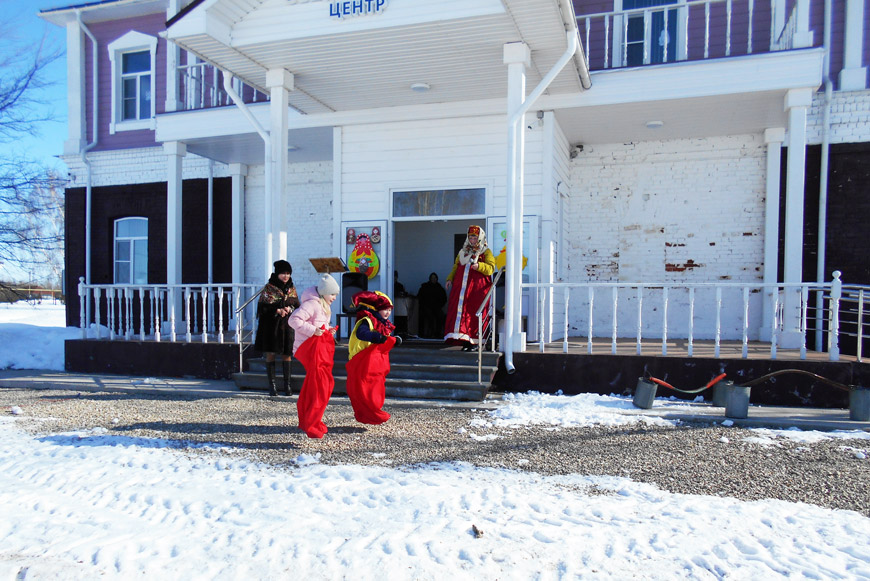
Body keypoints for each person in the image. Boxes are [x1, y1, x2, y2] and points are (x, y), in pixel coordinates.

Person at [288, 273, 340, 439]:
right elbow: (293, 320)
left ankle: (311, 419)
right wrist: (314, 331)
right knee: (320, 384)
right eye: (332, 294)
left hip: (316, 348)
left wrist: (327, 330)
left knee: (319, 384)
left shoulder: (323, 306)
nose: (334, 298)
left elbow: (318, 325)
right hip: (307, 348)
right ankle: (310, 420)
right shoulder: (312, 304)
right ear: (324, 292)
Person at [345, 291, 401, 425]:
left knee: (376, 386)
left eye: (389, 310)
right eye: (385, 309)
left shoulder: (383, 323)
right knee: (364, 388)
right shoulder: (367, 320)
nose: (388, 313)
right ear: (377, 309)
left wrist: (394, 340)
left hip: (375, 362)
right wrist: (378, 338)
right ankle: (370, 412)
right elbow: (362, 334)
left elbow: (384, 340)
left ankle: (373, 411)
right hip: (363, 360)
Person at [444, 225, 496, 350]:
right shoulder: (463, 252)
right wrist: (450, 279)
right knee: (462, 313)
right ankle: (465, 340)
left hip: (477, 290)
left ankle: (476, 341)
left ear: (480, 238)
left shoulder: (486, 252)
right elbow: (456, 267)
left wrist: (479, 266)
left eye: (475, 238)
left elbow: (491, 268)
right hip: (461, 289)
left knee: (474, 313)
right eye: (471, 238)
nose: (472, 240)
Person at [253, 260, 300, 396]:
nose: (286, 276)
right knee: (271, 353)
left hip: (287, 326)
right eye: (283, 273)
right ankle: (272, 385)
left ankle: (287, 385)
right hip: (271, 326)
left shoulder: (291, 288)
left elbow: (296, 304)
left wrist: (289, 309)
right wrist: (277, 310)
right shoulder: (269, 288)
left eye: (288, 273)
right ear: (277, 274)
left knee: (287, 353)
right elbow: (262, 307)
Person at [417, 272, 447, 339]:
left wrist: (439, 306)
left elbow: (444, 299)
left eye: (435, 278)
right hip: (426, 307)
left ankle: (438, 333)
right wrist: (424, 306)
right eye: (432, 278)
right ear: (430, 279)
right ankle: (429, 333)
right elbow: (420, 297)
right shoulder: (425, 287)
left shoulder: (440, 288)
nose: (433, 279)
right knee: (428, 316)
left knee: (441, 316)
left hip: (436, 307)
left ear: (437, 279)